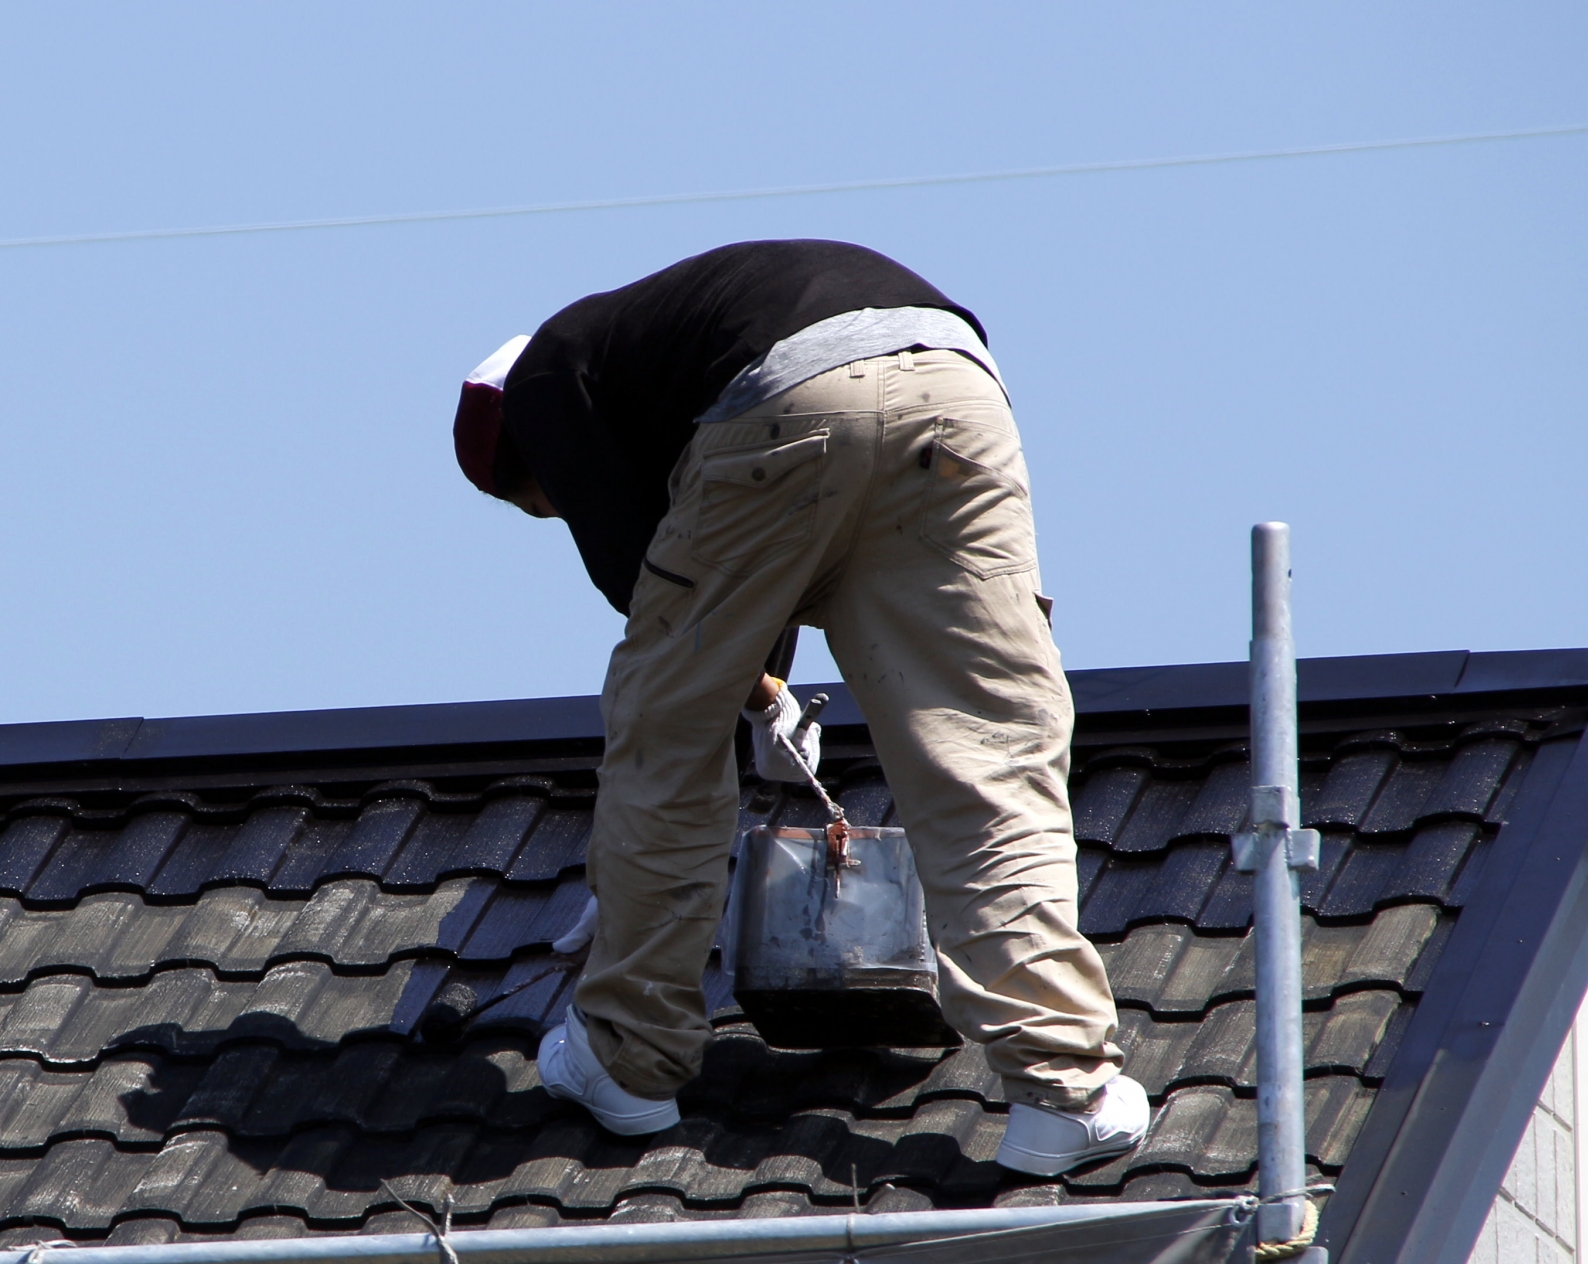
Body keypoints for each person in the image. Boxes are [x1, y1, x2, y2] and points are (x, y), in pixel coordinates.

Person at [452, 240, 1147, 1175]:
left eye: (544, 504)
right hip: (955, 386)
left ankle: (626, 1056)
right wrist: (764, 684)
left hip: (791, 401)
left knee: (664, 733)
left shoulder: (544, 377)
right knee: (984, 748)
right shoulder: (667, 346)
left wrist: (643, 852)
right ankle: (1063, 1087)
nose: (560, 512)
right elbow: (722, 555)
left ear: (524, 461)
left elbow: (643, 575)